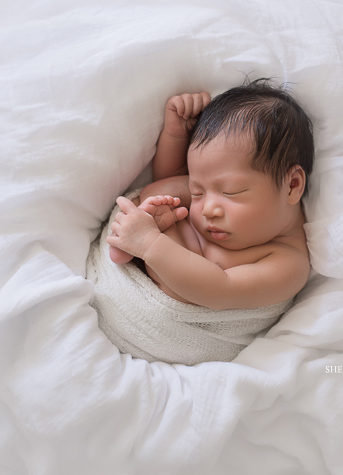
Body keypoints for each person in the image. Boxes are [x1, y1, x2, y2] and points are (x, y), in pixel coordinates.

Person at [106, 79, 314, 311]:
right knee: (160, 192)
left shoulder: (288, 263)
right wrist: (176, 135)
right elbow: (168, 179)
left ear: (292, 185)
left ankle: (133, 241)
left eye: (231, 192)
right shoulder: (212, 189)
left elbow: (224, 291)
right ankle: (125, 239)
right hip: (145, 243)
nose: (207, 209)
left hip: (168, 289)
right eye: (197, 192)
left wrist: (150, 244)